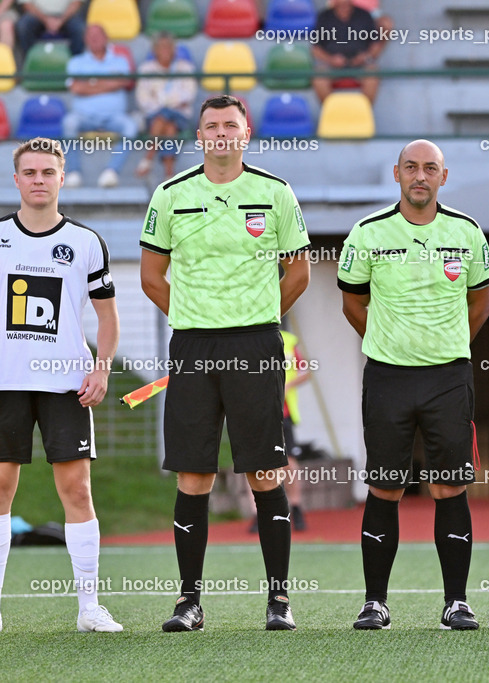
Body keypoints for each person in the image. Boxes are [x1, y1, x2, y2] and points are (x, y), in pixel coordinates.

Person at [139, 94, 311, 632]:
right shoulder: (169, 195)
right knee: (193, 475)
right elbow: (150, 277)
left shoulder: (275, 192)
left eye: (229, 125)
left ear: (246, 133)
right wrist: (195, 317)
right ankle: (189, 603)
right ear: (199, 136)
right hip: (192, 347)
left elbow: (299, 272)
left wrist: (256, 319)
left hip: (256, 346)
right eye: (211, 126)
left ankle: (279, 601)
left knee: (264, 471)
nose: (220, 134)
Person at [338, 139, 489, 631]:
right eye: (411, 167)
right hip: (387, 377)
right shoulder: (367, 233)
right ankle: (375, 603)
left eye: (430, 168)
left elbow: (481, 304)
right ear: (397, 174)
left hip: (448, 378)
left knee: (450, 486)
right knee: (385, 487)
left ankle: (456, 603)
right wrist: (390, 343)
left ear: (444, 177)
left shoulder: (466, 232)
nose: (420, 176)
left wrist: (443, 347)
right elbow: (352, 304)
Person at [0, 137, 121, 633]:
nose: (38, 180)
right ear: (16, 179)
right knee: (1, 488)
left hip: (66, 384)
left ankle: (89, 608)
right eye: (30, 173)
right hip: (5, 382)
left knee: (76, 488)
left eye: (47, 172)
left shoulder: (87, 242)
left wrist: (103, 367)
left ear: (62, 178)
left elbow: (107, 316)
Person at [247, 325, 311, 534]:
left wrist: (288, 385)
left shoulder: (289, 341)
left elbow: (305, 370)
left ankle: (295, 507)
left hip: (282, 412)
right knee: (253, 462)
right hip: (253, 411)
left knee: (289, 462)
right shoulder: (246, 339)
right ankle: (257, 514)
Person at [62, 23, 136, 189]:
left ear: (106, 38)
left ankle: (111, 171)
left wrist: (91, 84)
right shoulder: (76, 62)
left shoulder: (121, 60)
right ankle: (74, 172)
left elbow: (123, 81)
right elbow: (76, 87)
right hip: (84, 116)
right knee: (68, 123)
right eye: (91, 36)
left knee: (131, 126)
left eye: (98, 35)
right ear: (85, 39)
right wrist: (108, 82)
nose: (95, 39)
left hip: (114, 117)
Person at [135, 32, 196, 181]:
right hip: (155, 114)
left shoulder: (185, 68)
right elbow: (143, 98)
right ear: (154, 50)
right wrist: (170, 102)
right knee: (168, 126)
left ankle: (148, 157)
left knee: (164, 116)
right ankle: (169, 175)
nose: (165, 51)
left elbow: (189, 94)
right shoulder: (146, 69)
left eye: (168, 47)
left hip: (179, 114)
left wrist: (162, 100)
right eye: (161, 48)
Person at [311, 0, 386, 104]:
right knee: (319, 76)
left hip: (360, 65)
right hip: (332, 66)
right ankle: (333, 113)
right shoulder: (324, 16)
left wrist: (366, 57)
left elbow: (375, 44)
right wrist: (330, 60)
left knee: (373, 73)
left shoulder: (364, 15)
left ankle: (362, 113)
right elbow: (315, 49)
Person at [16, 0, 84, 56]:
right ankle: (29, 63)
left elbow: (76, 3)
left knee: (80, 29)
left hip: (66, 15)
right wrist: (46, 20)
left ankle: (75, 66)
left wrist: (60, 20)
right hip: (37, 15)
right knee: (23, 26)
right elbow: (26, 4)